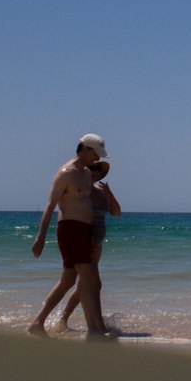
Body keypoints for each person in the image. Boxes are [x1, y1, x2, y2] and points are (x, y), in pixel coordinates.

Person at [29, 134, 113, 338]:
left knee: (67, 281)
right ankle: (94, 331)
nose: (97, 158)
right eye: (95, 153)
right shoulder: (66, 173)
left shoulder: (85, 174)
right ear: (84, 148)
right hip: (70, 229)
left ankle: (37, 323)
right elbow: (50, 205)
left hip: (85, 230)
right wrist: (41, 237)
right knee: (89, 278)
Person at [53, 160, 121, 333]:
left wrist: (110, 194)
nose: (96, 171)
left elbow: (116, 213)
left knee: (84, 285)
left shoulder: (100, 193)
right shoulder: (80, 192)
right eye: (93, 168)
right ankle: (97, 326)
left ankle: (62, 320)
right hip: (85, 241)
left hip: (97, 243)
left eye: (99, 169)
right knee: (92, 284)